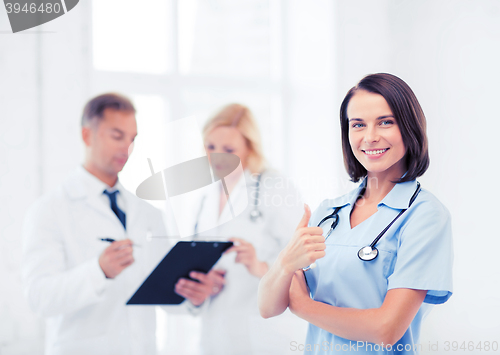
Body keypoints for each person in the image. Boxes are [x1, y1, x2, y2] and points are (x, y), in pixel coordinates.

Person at [258, 73, 453, 354]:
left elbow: (386, 329)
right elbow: (267, 307)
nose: (370, 137)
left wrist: (303, 305)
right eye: (358, 124)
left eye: (386, 122)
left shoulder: (425, 216)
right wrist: (285, 263)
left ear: (409, 127)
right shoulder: (328, 212)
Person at [22, 93, 171, 355]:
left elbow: (162, 290)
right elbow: (39, 298)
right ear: (87, 135)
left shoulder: (148, 213)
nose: (127, 147)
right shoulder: (50, 210)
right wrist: (99, 271)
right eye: (117, 136)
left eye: (132, 138)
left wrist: (191, 291)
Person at [173, 103, 308, 355]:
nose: (217, 157)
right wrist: (202, 283)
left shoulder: (274, 187)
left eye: (229, 149)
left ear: (249, 147)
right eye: (210, 146)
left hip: (266, 335)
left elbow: (306, 263)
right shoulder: (205, 198)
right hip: (215, 333)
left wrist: (261, 267)